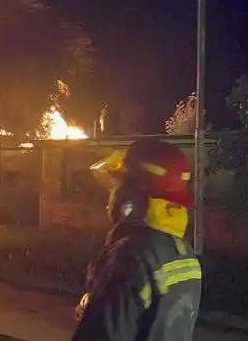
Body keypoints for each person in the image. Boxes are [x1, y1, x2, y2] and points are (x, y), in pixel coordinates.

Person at [71, 138, 202, 341]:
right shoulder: (185, 254)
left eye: (115, 187)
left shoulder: (129, 258)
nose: (111, 197)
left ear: (130, 198)